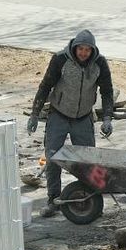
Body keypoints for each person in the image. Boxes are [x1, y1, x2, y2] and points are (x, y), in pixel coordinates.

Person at [26, 30, 115, 218]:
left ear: (93, 50)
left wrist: (107, 118)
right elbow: (45, 86)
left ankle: (90, 200)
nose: (83, 53)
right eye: (80, 49)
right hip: (59, 114)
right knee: (52, 158)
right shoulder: (60, 60)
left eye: (87, 50)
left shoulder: (100, 63)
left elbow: (107, 91)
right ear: (74, 47)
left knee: (88, 161)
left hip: (83, 117)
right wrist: (34, 114)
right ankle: (53, 200)